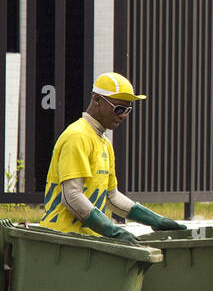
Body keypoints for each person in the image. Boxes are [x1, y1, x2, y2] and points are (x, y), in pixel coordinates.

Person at [39, 72, 186, 241]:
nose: (123, 115)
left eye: (128, 110)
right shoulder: (77, 136)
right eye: (119, 108)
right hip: (63, 239)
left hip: (87, 240)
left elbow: (111, 197)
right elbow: (71, 196)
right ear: (97, 100)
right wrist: (113, 231)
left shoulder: (104, 142)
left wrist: (156, 220)